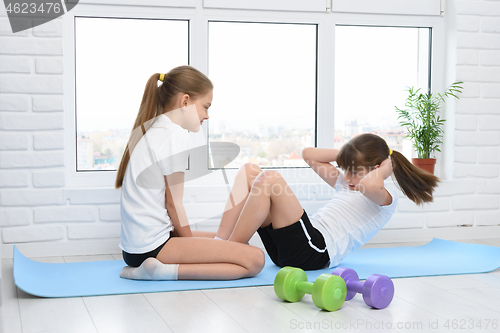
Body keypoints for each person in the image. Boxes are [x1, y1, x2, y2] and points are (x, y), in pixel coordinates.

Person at [115, 65, 265, 281]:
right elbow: (173, 204)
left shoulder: (157, 129)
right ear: (185, 102)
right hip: (152, 248)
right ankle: (158, 272)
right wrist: (190, 245)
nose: (207, 115)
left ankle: (150, 268)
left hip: (137, 248)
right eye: (205, 107)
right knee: (255, 259)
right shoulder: (175, 135)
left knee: (231, 243)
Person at [215, 133, 439, 269]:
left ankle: (229, 251)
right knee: (249, 171)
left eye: (355, 171)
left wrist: (387, 165)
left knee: (270, 178)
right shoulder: (347, 183)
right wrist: (350, 154)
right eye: (345, 170)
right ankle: (219, 242)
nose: (348, 177)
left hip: (316, 251)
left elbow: (369, 185)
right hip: (289, 248)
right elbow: (309, 154)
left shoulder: (384, 197)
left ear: (378, 169)